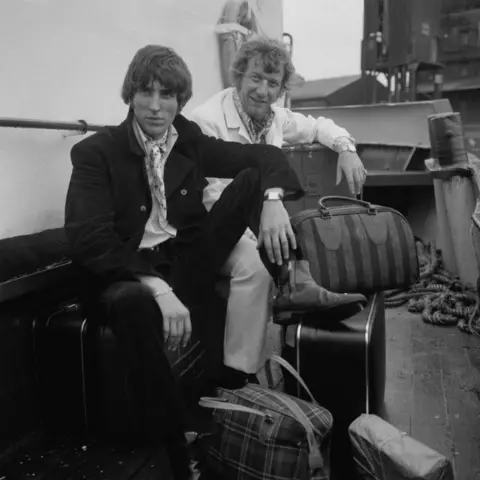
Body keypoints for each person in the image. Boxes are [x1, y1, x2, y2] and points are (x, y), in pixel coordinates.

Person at [64, 44, 347, 480]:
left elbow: (263, 157)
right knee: (132, 304)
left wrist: (272, 200)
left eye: (168, 96)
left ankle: (284, 297)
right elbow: (88, 240)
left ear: (180, 100)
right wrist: (157, 289)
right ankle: (177, 449)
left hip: (184, 259)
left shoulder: (187, 138)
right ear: (130, 94)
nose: (157, 107)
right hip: (127, 271)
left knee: (253, 180)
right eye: (147, 93)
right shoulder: (95, 153)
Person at [190, 36, 368, 379]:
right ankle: (296, 284)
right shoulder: (206, 119)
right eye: (255, 79)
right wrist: (270, 224)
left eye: (272, 83)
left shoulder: (274, 119)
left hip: (251, 229)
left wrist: (346, 148)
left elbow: (317, 126)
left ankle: (241, 372)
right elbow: (214, 201)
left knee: (259, 267)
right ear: (238, 77)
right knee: (271, 217)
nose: (263, 90)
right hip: (209, 231)